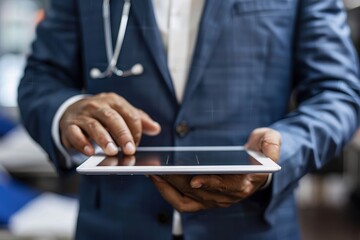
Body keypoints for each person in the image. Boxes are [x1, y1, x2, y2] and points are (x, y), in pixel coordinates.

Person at [18, 0, 360, 239]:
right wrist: (67, 111)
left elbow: (338, 93)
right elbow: (40, 79)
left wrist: (279, 155)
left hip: (252, 228)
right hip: (114, 226)